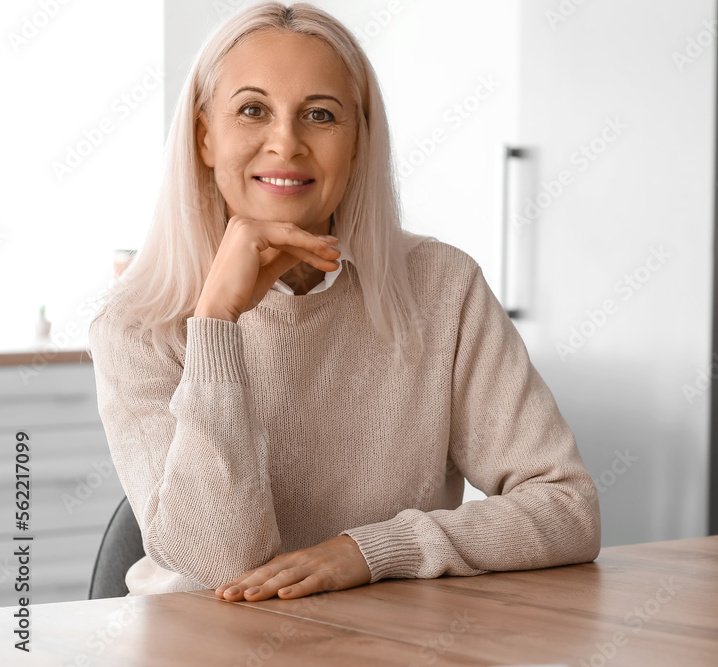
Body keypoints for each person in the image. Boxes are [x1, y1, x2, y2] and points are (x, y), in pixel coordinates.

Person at [88, 1, 600, 601]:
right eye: (253, 110)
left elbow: (568, 509)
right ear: (205, 137)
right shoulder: (136, 324)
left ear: (358, 142)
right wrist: (216, 324)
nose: (286, 143)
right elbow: (219, 564)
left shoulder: (443, 287)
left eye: (320, 115)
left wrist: (373, 549)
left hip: (383, 641)